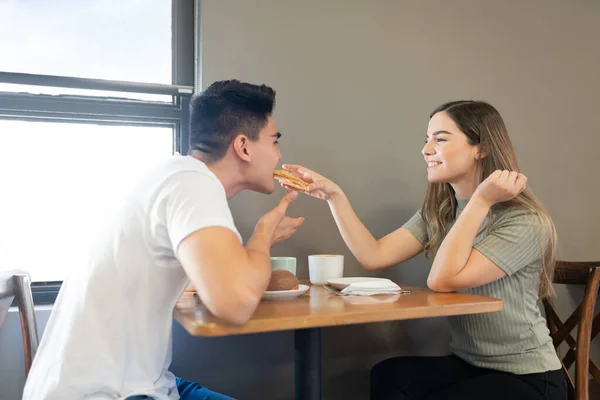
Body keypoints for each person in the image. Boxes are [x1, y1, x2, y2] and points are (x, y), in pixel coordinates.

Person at [23, 80, 304, 400]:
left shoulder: (173, 175)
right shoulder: (193, 184)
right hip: (104, 393)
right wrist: (263, 235)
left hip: (147, 382)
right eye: (274, 141)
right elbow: (235, 304)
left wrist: (258, 243)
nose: (279, 155)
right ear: (243, 146)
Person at [282, 100, 566, 399]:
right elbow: (374, 256)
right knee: (390, 375)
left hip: (528, 378)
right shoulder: (442, 211)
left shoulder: (525, 221)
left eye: (440, 139)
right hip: (471, 364)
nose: (426, 149)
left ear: (479, 148)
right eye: (427, 139)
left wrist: (481, 201)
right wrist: (334, 197)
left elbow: (442, 280)